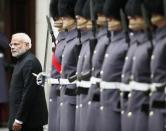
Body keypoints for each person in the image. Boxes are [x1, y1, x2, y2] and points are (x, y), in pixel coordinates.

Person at [8, 33, 48, 131]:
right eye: (11, 44)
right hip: (21, 119)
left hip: (28, 122)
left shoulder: (30, 62)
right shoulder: (21, 61)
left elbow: (29, 93)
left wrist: (19, 120)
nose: (12, 47)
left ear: (27, 45)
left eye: (16, 44)